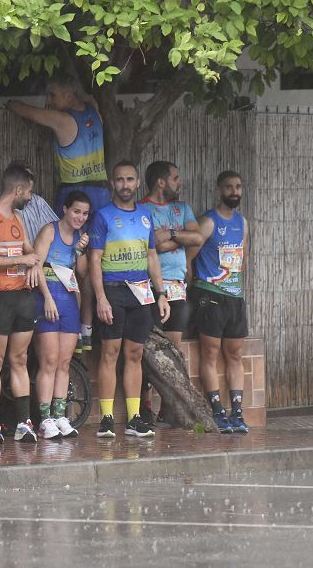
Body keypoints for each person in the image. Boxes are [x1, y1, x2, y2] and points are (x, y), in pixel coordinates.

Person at [89, 161, 170, 439]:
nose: (125, 185)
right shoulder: (102, 216)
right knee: (110, 353)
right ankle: (107, 419)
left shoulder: (146, 216)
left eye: (130, 179)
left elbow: (151, 257)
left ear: (138, 184)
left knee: (135, 354)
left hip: (142, 293)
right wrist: (100, 298)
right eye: (120, 180)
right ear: (112, 183)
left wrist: (161, 294)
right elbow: (94, 259)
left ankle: (135, 418)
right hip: (113, 290)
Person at [0, 163, 43, 444]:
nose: (30, 198)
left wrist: (34, 261)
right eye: (29, 192)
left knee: (20, 359)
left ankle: (24, 423)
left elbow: (29, 250)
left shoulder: (17, 218)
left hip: (22, 297)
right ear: (18, 189)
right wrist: (21, 260)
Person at [139, 161, 204, 425]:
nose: (180, 182)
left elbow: (198, 238)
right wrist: (174, 240)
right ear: (161, 182)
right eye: (175, 178)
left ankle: (169, 409)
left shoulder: (183, 208)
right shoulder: (143, 209)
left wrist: (172, 234)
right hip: (152, 286)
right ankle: (144, 407)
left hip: (178, 287)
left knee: (171, 352)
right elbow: (149, 244)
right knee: (146, 350)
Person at [191, 170, 250, 435]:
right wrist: (197, 285)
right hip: (210, 294)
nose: (234, 192)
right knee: (211, 355)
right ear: (219, 190)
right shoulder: (208, 221)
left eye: (238, 187)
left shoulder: (243, 223)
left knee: (235, 355)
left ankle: (237, 412)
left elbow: (243, 257)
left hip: (235, 296)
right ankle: (217, 411)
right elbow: (189, 255)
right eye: (229, 187)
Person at [32, 191, 90, 439]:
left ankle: (59, 415)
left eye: (85, 213)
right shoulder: (49, 231)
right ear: (65, 209)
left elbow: (83, 273)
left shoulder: (80, 237)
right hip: (48, 296)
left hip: (69, 299)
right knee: (49, 361)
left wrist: (79, 251)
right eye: (76, 211)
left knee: (64, 362)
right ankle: (45, 419)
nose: (80, 217)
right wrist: (46, 298)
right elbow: (36, 265)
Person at [5, 79, 109, 216]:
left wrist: (11, 103)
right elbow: (89, 97)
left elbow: (25, 111)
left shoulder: (61, 119)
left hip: (72, 190)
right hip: (101, 190)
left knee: (66, 236)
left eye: (53, 95)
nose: (48, 101)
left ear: (68, 95)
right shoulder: (94, 109)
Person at [0, 164, 59, 244]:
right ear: (19, 189)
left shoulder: (36, 203)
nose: (30, 197)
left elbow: (57, 231)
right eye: (25, 178)